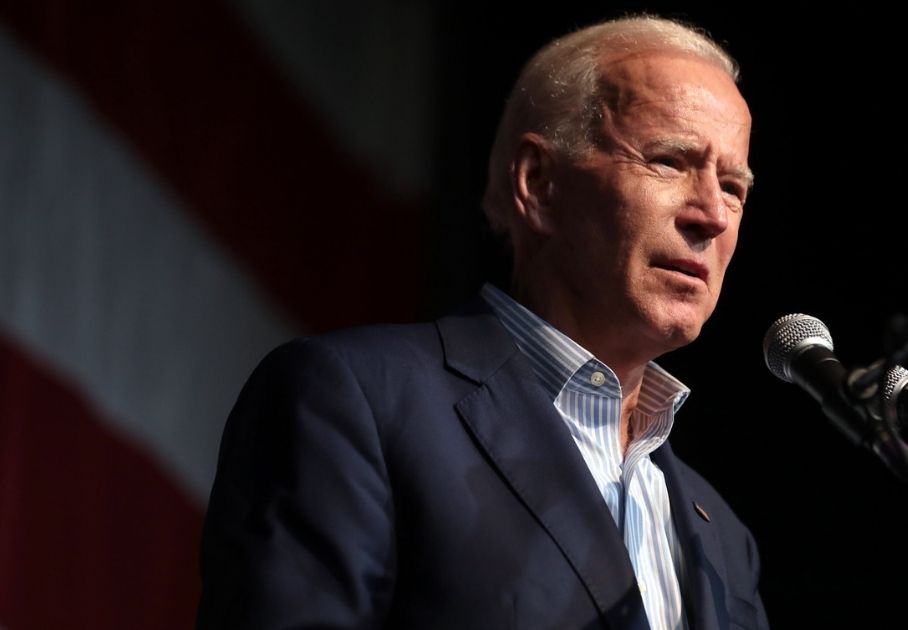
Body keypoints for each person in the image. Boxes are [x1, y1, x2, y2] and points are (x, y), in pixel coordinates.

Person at [197, 15, 766, 630]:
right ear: (539, 184)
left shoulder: (723, 539)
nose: (712, 213)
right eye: (669, 161)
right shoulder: (356, 400)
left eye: (733, 186)